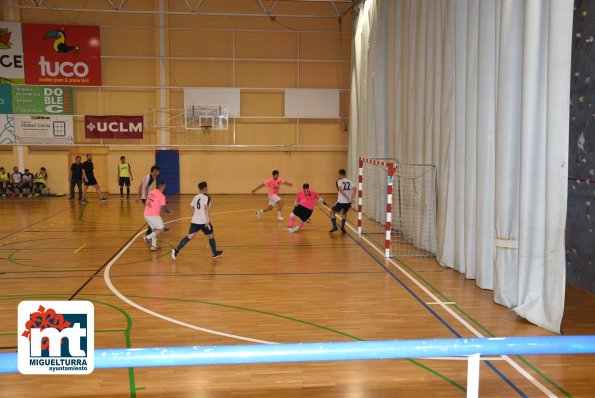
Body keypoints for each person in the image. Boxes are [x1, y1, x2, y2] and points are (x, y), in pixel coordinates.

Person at [171, 181, 223, 260]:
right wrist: (208, 219)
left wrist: (196, 212)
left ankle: (176, 250)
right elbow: (206, 207)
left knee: (189, 236)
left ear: (199, 189)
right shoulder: (207, 197)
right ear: (206, 188)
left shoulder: (196, 197)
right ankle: (214, 253)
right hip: (204, 221)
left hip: (195, 220)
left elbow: (191, 206)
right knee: (211, 235)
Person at [143, 180, 171, 251]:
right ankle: (147, 237)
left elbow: (154, 201)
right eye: (165, 186)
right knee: (161, 229)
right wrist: (169, 211)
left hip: (146, 214)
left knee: (155, 230)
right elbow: (164, 209)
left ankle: (153, 246)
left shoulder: (151, 191)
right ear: (163, 186)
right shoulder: (161, 196)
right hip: (153, 215)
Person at [136, 165, 162, 236]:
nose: (159, 173)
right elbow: (146, 188)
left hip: (144, 197)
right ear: (155, 171)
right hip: (146, 198)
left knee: (151, 214)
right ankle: (149, 231)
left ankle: (150, 230)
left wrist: (139, 196)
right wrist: (148, 199)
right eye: (158, 171)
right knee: (152, 214)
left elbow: (140, 186)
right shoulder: (150, 178)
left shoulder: (146, 176)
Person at [329, 169, 356, 233]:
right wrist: (353, 197)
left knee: (332, 213)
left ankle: (335, 226)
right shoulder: (349, 181)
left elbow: (340, 189)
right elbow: (355, 189)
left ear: (340, 174)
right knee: (344, 213)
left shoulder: (339, 181)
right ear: (345, 174)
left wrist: (346, 196)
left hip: (341, 201)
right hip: (348, 202)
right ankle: (342, 227)